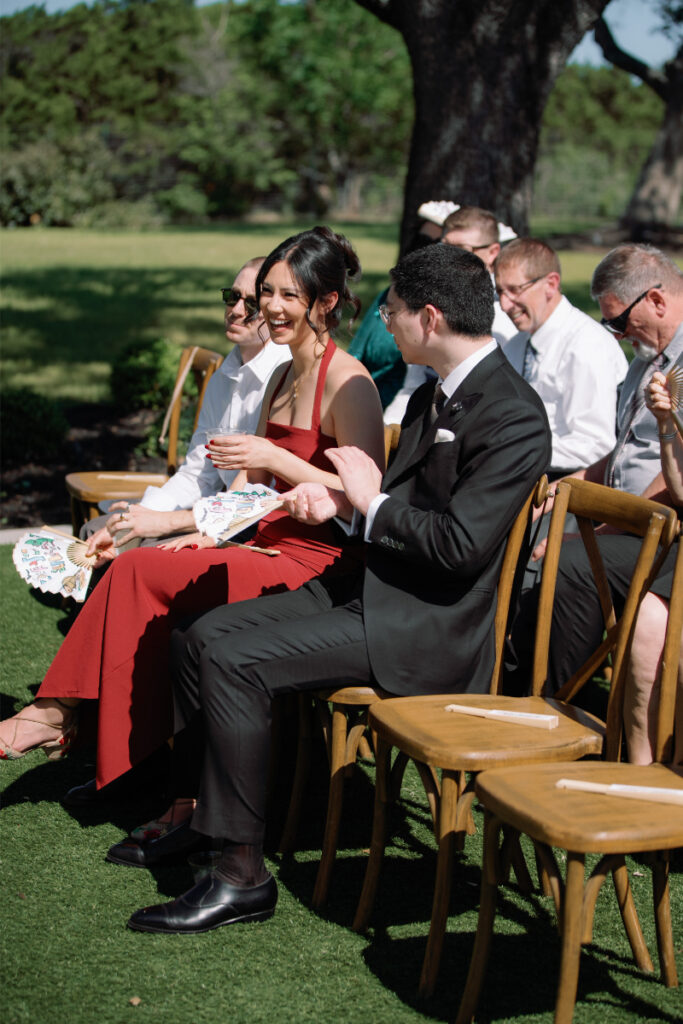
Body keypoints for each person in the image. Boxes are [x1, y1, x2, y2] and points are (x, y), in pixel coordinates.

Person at [117, 242, 551, 934]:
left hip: (425, 626)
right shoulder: (441, 390)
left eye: (394, 309)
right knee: (201, 636)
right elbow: (394, 509)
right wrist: (341, 509)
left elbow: (459, 548)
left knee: (232, 658)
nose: (384, 320)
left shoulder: (511, 413)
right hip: (378, 587)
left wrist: (366, 503)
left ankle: (240, 874)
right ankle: (204, 817)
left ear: (429, 318)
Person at [0, 227, 385, 790]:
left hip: (316, 565)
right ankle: (106, 742)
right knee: (140, 564)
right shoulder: (281, 373)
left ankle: (57, 717)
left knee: (138, 571)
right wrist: (199, 531)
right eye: (265, 294)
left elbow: (363, 499)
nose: (270, 308)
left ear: (325, 303)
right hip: (259, 544)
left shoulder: (350, 384)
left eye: (287, 296)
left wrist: (275, 455)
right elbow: (247, 494)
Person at [81, 258, 291, 549]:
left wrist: (165, 521)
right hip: (216, 512)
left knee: (132, 549)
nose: (236, 311)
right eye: (232, 297)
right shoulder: (222, 378)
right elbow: (198, 472)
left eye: (252, 304)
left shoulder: (285, 379)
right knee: (97, 529)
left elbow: (260, 498)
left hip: (255, 527)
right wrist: (147, 510)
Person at [495, 237, 628, 479]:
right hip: (521, 472)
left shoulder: (587, 345)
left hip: (569, 488)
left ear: (551, 284)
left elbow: (596, 445)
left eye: (515, 290)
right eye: (500, 292)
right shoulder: (517, 345)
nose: (504, 305)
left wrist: (513, 450)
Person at [440, 205, 517, 345]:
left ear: (492, 252)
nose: (448, 257)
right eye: (444, 247)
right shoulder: (434, 295)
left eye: (461, 250)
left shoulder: (505, 314)